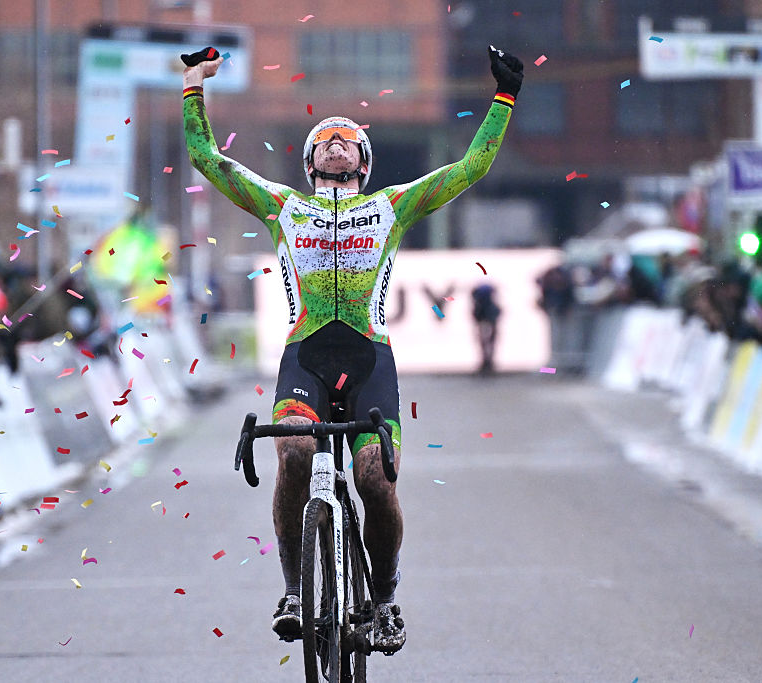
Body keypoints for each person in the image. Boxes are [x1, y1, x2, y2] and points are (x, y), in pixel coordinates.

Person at [181, 44, 523, 654]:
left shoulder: (390, 207)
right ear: (311, 159)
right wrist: (192, 86)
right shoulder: (283, 207)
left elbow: (470, 168)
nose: (336, 142)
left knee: (372, 478)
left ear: (362, 162)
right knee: (291, 452)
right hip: (306, 356)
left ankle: (385, 599)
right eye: (325, 139)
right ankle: (293, 590)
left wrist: (503, 98)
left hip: (369, 359)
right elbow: (206, 157)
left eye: (347, 139)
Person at [471, 283, 502, 375]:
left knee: (485, 341)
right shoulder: (489, 306)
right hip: (487, 318)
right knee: (487, 341)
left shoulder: (482, 305)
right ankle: (488, 362)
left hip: (485, 318)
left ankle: (487, 362)